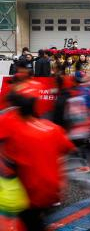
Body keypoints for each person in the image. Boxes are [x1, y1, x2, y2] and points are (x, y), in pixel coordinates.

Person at [0, 83, 75, 230]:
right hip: (49, 192)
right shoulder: (53, 129)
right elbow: (69, 148)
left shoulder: (10, 124)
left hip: (23, 195)